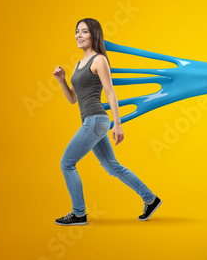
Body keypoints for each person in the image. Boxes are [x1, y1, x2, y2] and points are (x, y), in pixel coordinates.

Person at [53, 18, 161, 225]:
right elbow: (73, 99)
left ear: (94, 34)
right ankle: (151, 199)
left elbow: (110, 92)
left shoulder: (99, 60)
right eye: (77, 31)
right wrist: (61, 80)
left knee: (67, 163)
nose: (79, 35)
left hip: (96, 120)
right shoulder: (78, 64)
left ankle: (79, 213)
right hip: (92, 121)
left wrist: (118, 124)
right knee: (112, 167)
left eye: (84, 31)